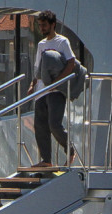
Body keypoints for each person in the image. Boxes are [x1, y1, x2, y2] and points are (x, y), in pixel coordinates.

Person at [28, 9, 77, 168]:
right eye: (40, 25)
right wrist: (32, 85)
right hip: (41, 91)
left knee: (54, 124)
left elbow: (71, 63)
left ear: (52, 24)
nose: (41, 28)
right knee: (40, 125)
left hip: (56, 91)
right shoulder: (41, 44)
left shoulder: (62, 42)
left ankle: (69, 148)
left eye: (44, 25)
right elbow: (37, 68)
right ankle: (46, 160)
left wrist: (57, 81)